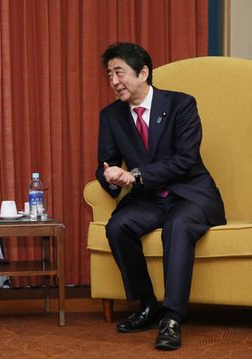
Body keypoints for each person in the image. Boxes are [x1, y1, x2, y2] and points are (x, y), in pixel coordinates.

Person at [96, 43, 226, 350]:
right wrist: (110, 176)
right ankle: (147, 304)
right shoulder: (111, 116)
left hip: (190, 195)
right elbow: (105, 162)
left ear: (143, 73)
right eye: (109, 75)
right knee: (118, 226)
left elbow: (186, 160)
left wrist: (136, 176)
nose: (114, 81)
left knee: (177, 227)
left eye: (120, 73)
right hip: (150, 199)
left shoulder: (181, 105)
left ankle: (172, 317)